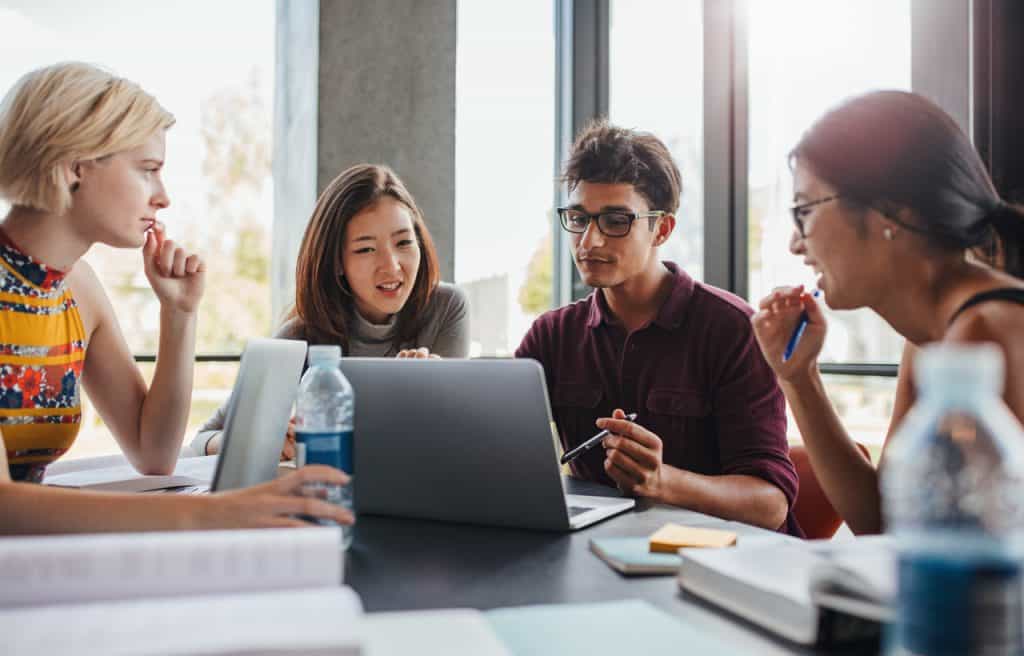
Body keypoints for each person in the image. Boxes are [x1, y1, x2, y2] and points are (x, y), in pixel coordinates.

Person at [0, 62, 350, 534]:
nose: (163, 197)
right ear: (74, 167)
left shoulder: (78, 288)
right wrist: (214, 513)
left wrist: (179, 312)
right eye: (148, 170)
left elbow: (154, 454)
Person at [751, 90, 1024, 535]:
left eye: (804, 211)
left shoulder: (986, 331)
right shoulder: (932, 336)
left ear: (889, 214)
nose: (796, 244)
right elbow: (883, 522)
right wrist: (797, 377)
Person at [516, 121, 801, 535]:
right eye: (579, 218)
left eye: (615, 221)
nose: (589, 242)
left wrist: (664, 482)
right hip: (601, 559)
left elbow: (771, 505)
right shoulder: (551, 336)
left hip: (727, 564)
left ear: (662, 229)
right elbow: (495, 451)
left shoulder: (733, 329)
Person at [191, 164, 469, 457]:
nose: (392, 266)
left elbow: (450, 439)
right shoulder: (300, 337)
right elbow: (202, 439)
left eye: (403, 243)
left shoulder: (447, 307)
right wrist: (269, 440)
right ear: (336, 262)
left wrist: (437, 388)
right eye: (366, 249)